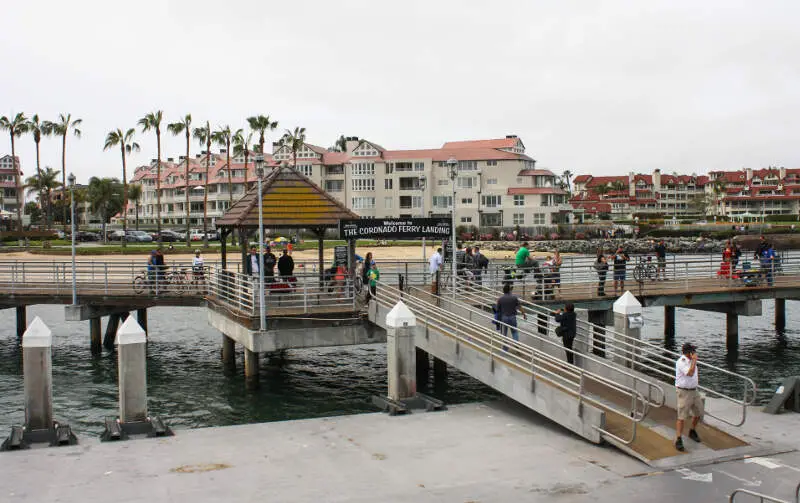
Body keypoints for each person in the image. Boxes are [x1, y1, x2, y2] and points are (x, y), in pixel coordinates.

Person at [675, 342, 703, 452]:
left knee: (699, 412)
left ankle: (692, 430)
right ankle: (678, 438)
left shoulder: (691, 361)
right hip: (684, 392)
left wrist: (693, 361)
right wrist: (695, 360)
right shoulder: (681, 362)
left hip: (694, 391)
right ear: (689, 353)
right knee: (682, 416)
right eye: (693, 351)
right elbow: (690, 373)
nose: (695, 353)